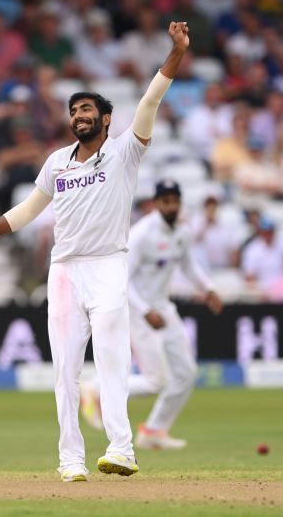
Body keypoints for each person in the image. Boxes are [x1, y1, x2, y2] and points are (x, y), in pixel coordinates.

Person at [0, 22, 191, 482]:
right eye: (74, 109)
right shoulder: (57, 162)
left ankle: (122, 449)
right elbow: (24, 213)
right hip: (63, 272)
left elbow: (150, 100)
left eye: (88, 109)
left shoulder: (125, 152)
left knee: (113, 359)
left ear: (105, 120)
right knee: (65, 371)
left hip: (108, 266)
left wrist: (175, 52)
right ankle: (70, 459)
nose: (79, 114)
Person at [80, 180, 223, 450]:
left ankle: (154, 431)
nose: (171, 206)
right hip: (137, 311)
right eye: (165, 201)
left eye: (175, 201)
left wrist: (209, 289)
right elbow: (123, 278)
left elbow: (189, 265)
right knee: (158, 381)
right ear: (156, 203)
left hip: (164, 308)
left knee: (186, 374)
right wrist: (145, 311)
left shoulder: (182, 230)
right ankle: (95, 389)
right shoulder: (142, 234)